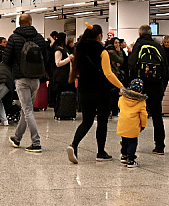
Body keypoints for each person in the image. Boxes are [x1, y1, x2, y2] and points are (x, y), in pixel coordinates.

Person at [67, 24, 123, 164]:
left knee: (87, 121)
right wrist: (121, 86)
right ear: (99, 35)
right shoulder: (102, 51)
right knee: (102, 121)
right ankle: (100, 152)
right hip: (101, 91)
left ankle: (73, 145)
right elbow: (108, 73)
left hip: (84, 89)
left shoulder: (78, 48)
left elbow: (77, 71)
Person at [6, 13, 49, 153]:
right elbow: (46, 58)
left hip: (21, 78)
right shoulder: (40, 38)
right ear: (31, 22)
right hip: (36, 78)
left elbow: (6, 59)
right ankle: (17, 138)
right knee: (27, 109)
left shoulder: (14, 38)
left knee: (28, 110)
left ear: (19, 22)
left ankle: (36, 143)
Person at [128, 25, 169, 155]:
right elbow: (166, 70)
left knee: (134, 115)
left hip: (140, 88)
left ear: (140, 34)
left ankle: (129, 143)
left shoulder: (138, 45)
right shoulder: (158, 47)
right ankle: (160, 146)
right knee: (157, 117)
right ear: (151, 34)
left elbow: (131, 65)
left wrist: (132, 85)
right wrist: (162, 87)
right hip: (156, 87)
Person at [117, 78, 148, 168]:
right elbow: (144, 115)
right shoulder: (141, 101)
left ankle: (124, 156)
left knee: (124, 141)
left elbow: (119, 105)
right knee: (132, 142)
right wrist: (143, 125)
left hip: (123, 124)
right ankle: (131, 160)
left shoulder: (122, 98)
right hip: (133, 126)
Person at [51, 33, 73, 116]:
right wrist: (69, 58)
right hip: (60, 77)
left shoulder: (65, 49)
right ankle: (58, 111)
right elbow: (58, 63)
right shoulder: (58, 50)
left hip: (65, 76)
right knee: (59, 95)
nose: (67, 40)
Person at [106, 37, 125, 116]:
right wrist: (119, 51)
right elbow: (121, 60)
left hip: (112, 74)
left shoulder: (109, 51)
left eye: (118, 43)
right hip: (113, 75)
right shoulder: (112, 52)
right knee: (114, 94)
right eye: (116, 43)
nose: (117, 45)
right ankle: (114, 111)